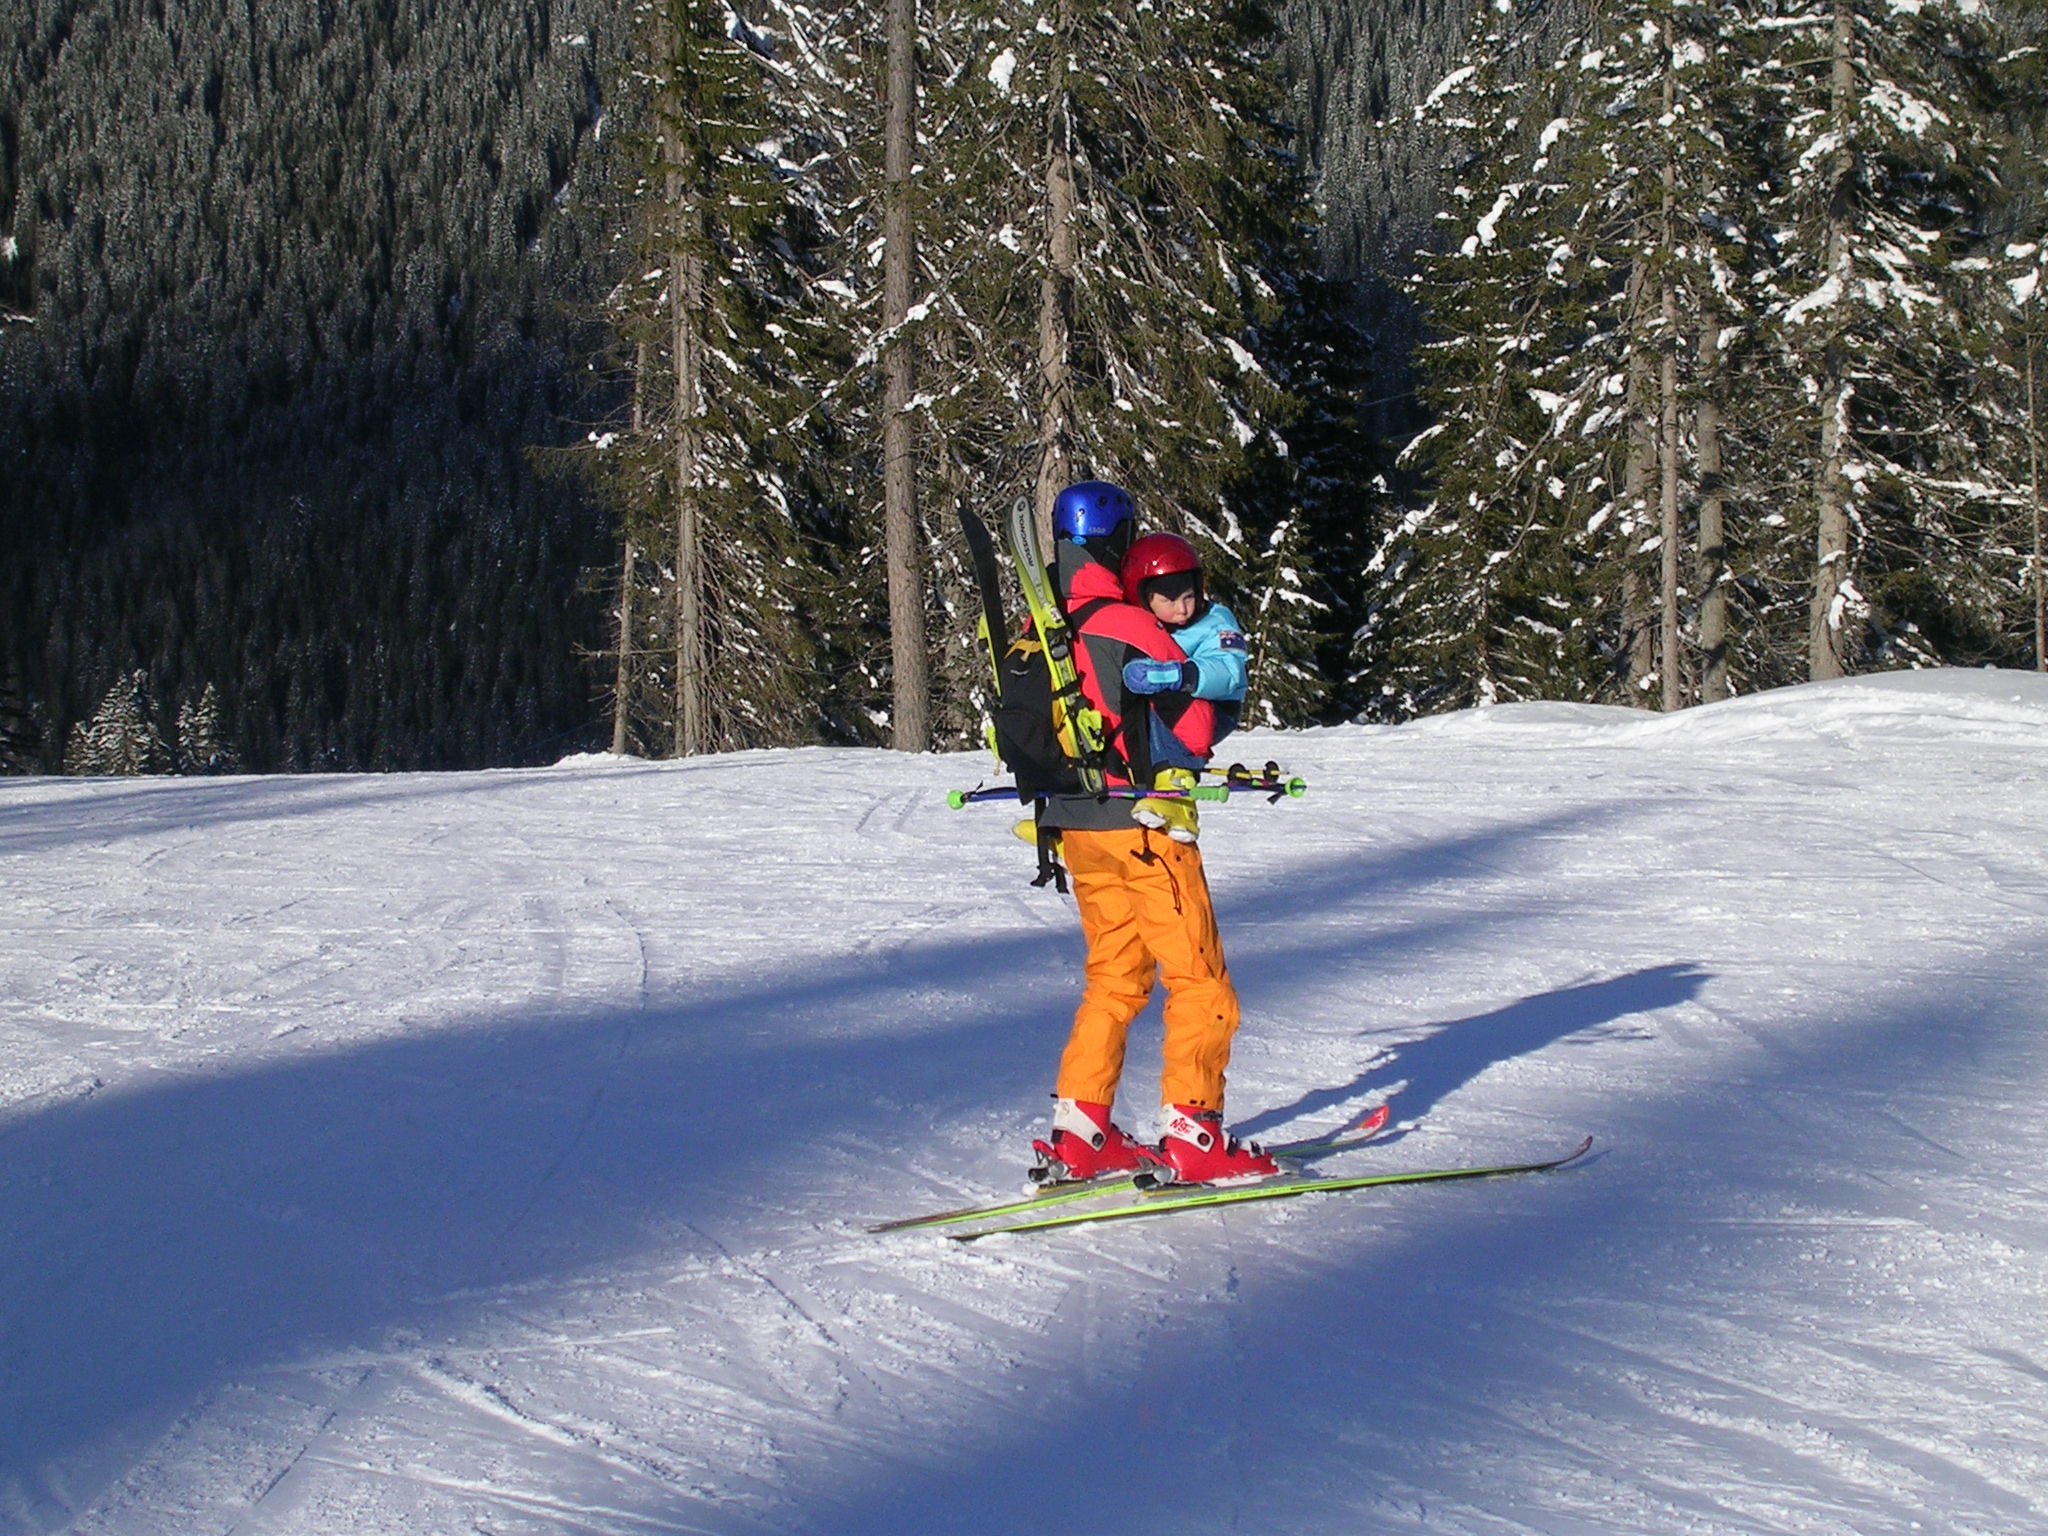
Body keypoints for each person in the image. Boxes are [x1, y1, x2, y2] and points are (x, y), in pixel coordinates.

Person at [1027, 480, 1278, 1188]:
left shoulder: (1039, 624)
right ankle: (1195, 1133)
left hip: (1073, 827)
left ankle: (1081, 1132)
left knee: (1113, 979)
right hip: (1143, 826)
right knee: (1198, 982)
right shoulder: (1129, 623)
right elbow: (1193, 726)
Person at [1116, 531, 1248, 842]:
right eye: (1169, 601)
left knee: (1163, 703)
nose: (1182, 609)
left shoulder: (1216, 620)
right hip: (1175, 707)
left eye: (1188, 596)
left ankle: (1177, 791)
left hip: (1215, 709)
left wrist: (1180, 675)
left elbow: (1230, 670)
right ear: (1145, 599)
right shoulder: (1148, 625)